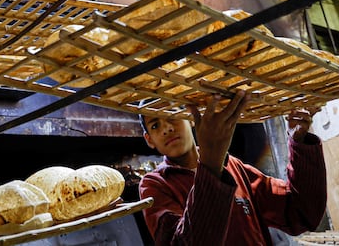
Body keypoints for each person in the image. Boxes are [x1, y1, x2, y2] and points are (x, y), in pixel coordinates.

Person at [137, 90, 327, 245]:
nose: (166, 129)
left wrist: (300, 141)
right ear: (149, 140)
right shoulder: (154, 185)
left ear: (189, 118)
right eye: (155, 126)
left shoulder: (232, 165)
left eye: (171, 116)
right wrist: (211, 161)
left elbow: (299, 213)